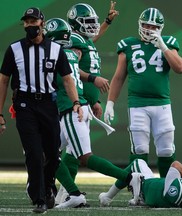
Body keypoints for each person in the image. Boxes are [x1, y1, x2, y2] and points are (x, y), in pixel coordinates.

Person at [43, 17, 143, 208]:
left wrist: (76, 102)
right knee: (56, 153)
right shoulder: (71, 54)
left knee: (82, 157)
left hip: (71, 108)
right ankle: (68, 192)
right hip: (77, 106)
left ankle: (129, 177)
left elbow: (66, 81)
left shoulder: (56, 55)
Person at [100, 7, 182, 206]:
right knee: (139, 150)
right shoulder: (128, 45)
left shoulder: (169, 43)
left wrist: (162, 46)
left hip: (162, 104)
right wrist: (110, 103)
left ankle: (168, 190)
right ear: (140, 24)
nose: (149, 29)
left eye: (154, 26)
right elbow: (119, 76)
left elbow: (180, 68)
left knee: (165, 150)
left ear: (161, 28)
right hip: (137, 105)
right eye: (146, 24)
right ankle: (139, 193)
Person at [0, 7, 82, 214]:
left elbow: (67, 78)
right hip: (25, 105)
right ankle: (40, 198)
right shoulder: (14, 49)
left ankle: (46, 185)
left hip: (48, 104)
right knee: (35, 153)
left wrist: (76, 103)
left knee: (53, 154)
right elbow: (3, 80)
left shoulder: (56, 49)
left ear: (42, 24)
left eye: (33, 22)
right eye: (26, 22)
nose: (30, 25)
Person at [55, 2, 119, 206]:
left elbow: (93, 38)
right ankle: (126, 177)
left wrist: (95, 100)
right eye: (88, 22)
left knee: (71, 153)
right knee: (61, 151)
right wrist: (93, 78)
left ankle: (67, 193)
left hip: (81, 104)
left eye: (94, 22)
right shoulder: (72, 40)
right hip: (71, 103)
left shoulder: (84, 40)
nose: (92, 26)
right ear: (75, 24)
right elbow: (70, 69)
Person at [100, 159, 182, 209]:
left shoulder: (179, 192)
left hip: (145, 185)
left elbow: (176, 165)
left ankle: (107, 197)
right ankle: (140, 198)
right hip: (153, 192)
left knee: (137, 162)